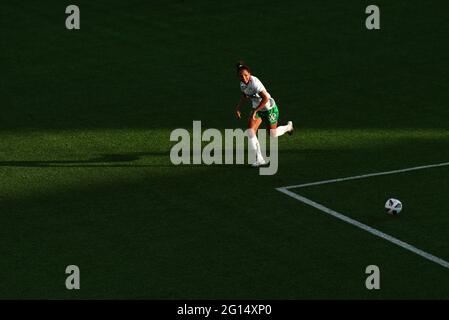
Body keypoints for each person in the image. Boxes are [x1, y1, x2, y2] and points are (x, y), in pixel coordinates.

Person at [234, 61, 294, 167]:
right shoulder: (242, 84)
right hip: (257, 110)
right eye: (241, 76)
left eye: (246, 75)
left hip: (269, 109)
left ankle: (288, 127)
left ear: (250, 74)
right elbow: (245, 96)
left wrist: (255, 110)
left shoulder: (255, 83)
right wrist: (238, 108)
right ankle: (260, 159)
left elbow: (265, 98)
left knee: (272, 134)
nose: (244, 78)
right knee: (250, 132)